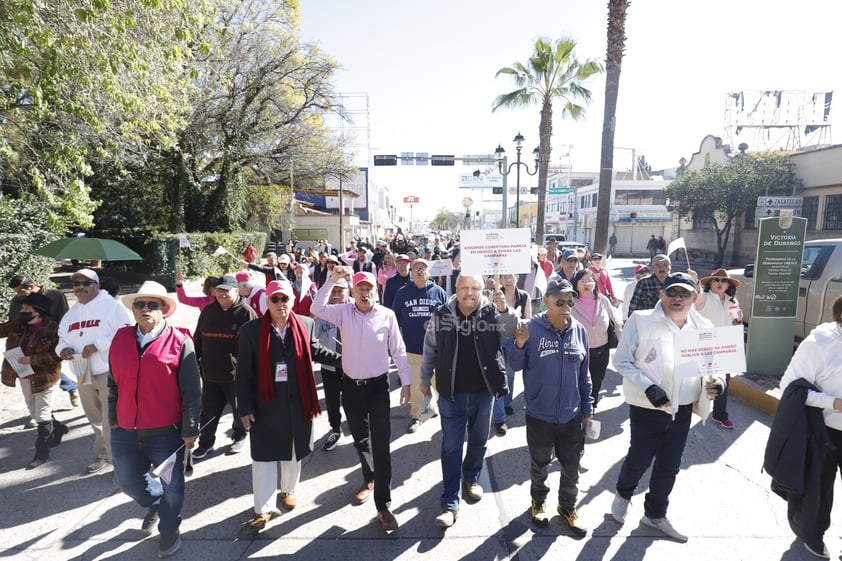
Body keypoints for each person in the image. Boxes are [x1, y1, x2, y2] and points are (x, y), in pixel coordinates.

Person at [610, 272, 724, 543]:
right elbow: (623, 361)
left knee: (669, 465)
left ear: (694, 298)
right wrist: (648, 387)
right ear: (662, 294)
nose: (678, 298)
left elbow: (715, 366)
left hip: (682, 407)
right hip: (648, 407)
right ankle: (623, 494)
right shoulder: (641, 321)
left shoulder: (704, 327)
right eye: (672, 292)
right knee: (639, 459)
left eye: (684, 294)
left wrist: (717, 383)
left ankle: (655, 514)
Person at [311, 266, 411, 532]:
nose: (365, 293)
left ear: (375, 291)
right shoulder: (343, 312)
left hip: (378, 388)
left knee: (381, 445)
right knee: (360, 439)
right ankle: (369, 478)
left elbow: (399, 351)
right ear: (352, 292)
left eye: (369, 289)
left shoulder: (387, 315)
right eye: (360, 289)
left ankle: (383, 505)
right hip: (351, 388)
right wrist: (332, 281)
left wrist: (406, 383)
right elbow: (316, 308)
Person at [236, 280, 340, 531]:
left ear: (292, 301)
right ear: (267, 302)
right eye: (275, 300)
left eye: (285, 299)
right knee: (264, 457)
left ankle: (289, 489)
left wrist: (349, 360)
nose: (280, 304)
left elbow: (317, 351)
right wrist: (244, 407)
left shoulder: (306, 324)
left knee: (293, 449)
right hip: (265, 403)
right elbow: (243, 374)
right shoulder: (251, 330)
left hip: (298, 400)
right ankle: (263, 509)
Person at [108, 281, 201, 559]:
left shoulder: (180, 342)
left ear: (164, 311)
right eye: (140, 304)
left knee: (174, 488)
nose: (146, 309)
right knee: (125, 480)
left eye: (153, 304)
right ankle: (155, 502)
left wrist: (191, 429)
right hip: (125, 430)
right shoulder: (120, 338)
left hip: (166, 432)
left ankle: (170, 527)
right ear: (133, 310)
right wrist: (113, 420)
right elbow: (113, 384)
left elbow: (191, 391)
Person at [420, 274, 516, 528]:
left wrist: (504, 308)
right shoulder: (442, 314)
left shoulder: (493, 312)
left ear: (482, 290)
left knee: (478, 440)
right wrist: (424, 379)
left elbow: (510, 333)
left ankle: (471, 477)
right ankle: (450, 502)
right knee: (451, 446)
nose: (469, 292)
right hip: (451, 395)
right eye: (464, 287)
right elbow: (430, 349)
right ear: (456, 289)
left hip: (484, 393)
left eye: (475, 288)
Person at [508, 278, 591, 536]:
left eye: (570, 300)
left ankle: (567, 507)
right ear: (546, 301)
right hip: (539, 415)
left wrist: (588, 409)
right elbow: (514, 364)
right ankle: (538, 502)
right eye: (560, 300)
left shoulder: (579, 331)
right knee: (540, 464)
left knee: (571, 467)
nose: (566, 305)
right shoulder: (530, 328)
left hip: (571, 415)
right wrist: (519, 345)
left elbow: (584, 375)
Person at [773, 295, 842, 560]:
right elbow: (789, 387)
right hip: (824, 429)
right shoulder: (820, 343)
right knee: (819, 490)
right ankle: (812, 535)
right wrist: (833, 402)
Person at [57, 268, 133, 474]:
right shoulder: (71, 313)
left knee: (111, 419)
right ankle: (103, 455)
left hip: (108, 370)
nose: (80, 288)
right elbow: (62, 338)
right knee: (95, 418)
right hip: (82, 371)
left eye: (86, 283)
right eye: (76, 284)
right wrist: (61, 349)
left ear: (97, 285)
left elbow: (127, 332)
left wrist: (98, 345)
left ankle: (120, 461)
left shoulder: (112, 306)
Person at [193, 274, 257, 460]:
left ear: (236, 291)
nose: (221, 295)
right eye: (218, 291)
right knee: (208, 412)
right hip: (210, 373)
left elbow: (255, 347)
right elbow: (198, 338)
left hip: (235, 376)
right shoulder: (208, 311)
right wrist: (195, 362)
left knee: (239, 410)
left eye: (226, 292)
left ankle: (239, 436)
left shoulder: (246, 312)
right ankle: (205, 443)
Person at [1, 293, 68, 468]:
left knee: (42, 416)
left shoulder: (52, 328)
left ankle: (41, 454)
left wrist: (33, 359)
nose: (21, 311)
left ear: (37, 311)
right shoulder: (17, 325)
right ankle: (58, 428)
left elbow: (57, 354)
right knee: (35, 412)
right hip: (24, 376)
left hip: (46, 378)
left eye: (25, 308)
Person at [392, 258, 448, 434]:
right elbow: (395, 319)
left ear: (429, 272)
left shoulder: (438, 292)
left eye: (423, 268)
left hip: (437, 350)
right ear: (411, 272)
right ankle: (418, 415)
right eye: (416, 268)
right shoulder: (402, 293)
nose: (420, 271)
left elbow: (447, 319)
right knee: (417, 387)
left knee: (441, 385)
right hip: (412, 350)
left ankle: (448, 416)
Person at [8, 274, 78, 410]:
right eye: (15, 292)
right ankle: (42, 412)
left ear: (31, 286)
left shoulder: (55, 296)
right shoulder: (17, 301)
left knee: (46, 369)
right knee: (36, 371)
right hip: (29, 341)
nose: (18, 295)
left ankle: (44, 413)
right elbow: (13, 321)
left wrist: (63, 340)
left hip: (52, 340)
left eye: (20, 291)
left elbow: (65, 318)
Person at [693, 268, 743, 429]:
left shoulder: (732, 302)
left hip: (725, 346)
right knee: (698, 379)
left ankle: (719, 414)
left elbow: (736, 323)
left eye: (724, 281)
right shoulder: (705, 298)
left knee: (724, 382)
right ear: (710, 284)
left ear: (729, 285)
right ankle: (690, 408)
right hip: (705, 345)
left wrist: (738, 320)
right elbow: (695, 297)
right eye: (716, 280)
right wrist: (695, 281)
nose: (720, 283)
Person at [570, 269, 623, 409]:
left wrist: (623, 343)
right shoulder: (570, 302)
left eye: (590, 280)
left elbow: (616, 321)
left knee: (596, 381)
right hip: (578, 350)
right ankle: (579, 407)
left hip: (601, 350)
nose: (586, 283)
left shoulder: (602, 299)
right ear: (576, 284)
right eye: (582, 281)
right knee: (578, 382)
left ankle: (591, 405)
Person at [491, 273, 532, 435]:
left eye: (511, 277)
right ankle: (499, 416)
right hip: (498, 339)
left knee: (511, 372)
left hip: (516, 340)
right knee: (499, 375)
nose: (507, 280)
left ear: (516, 278)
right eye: (504, 277)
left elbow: (529, 318)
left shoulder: (524, 296)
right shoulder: (494, 294)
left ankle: (507, 401)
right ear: (499, 280)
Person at [313, 278, 351, 451]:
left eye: (340, 291)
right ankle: (335, 429)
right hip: (330, 365)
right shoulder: (323, 311)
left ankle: (355, 426)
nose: (336, 295)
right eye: (333, 291)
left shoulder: (356, 309)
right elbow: (315, 339)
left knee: (353, 399)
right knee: (332, 400)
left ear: (348, 291)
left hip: (354, 365)